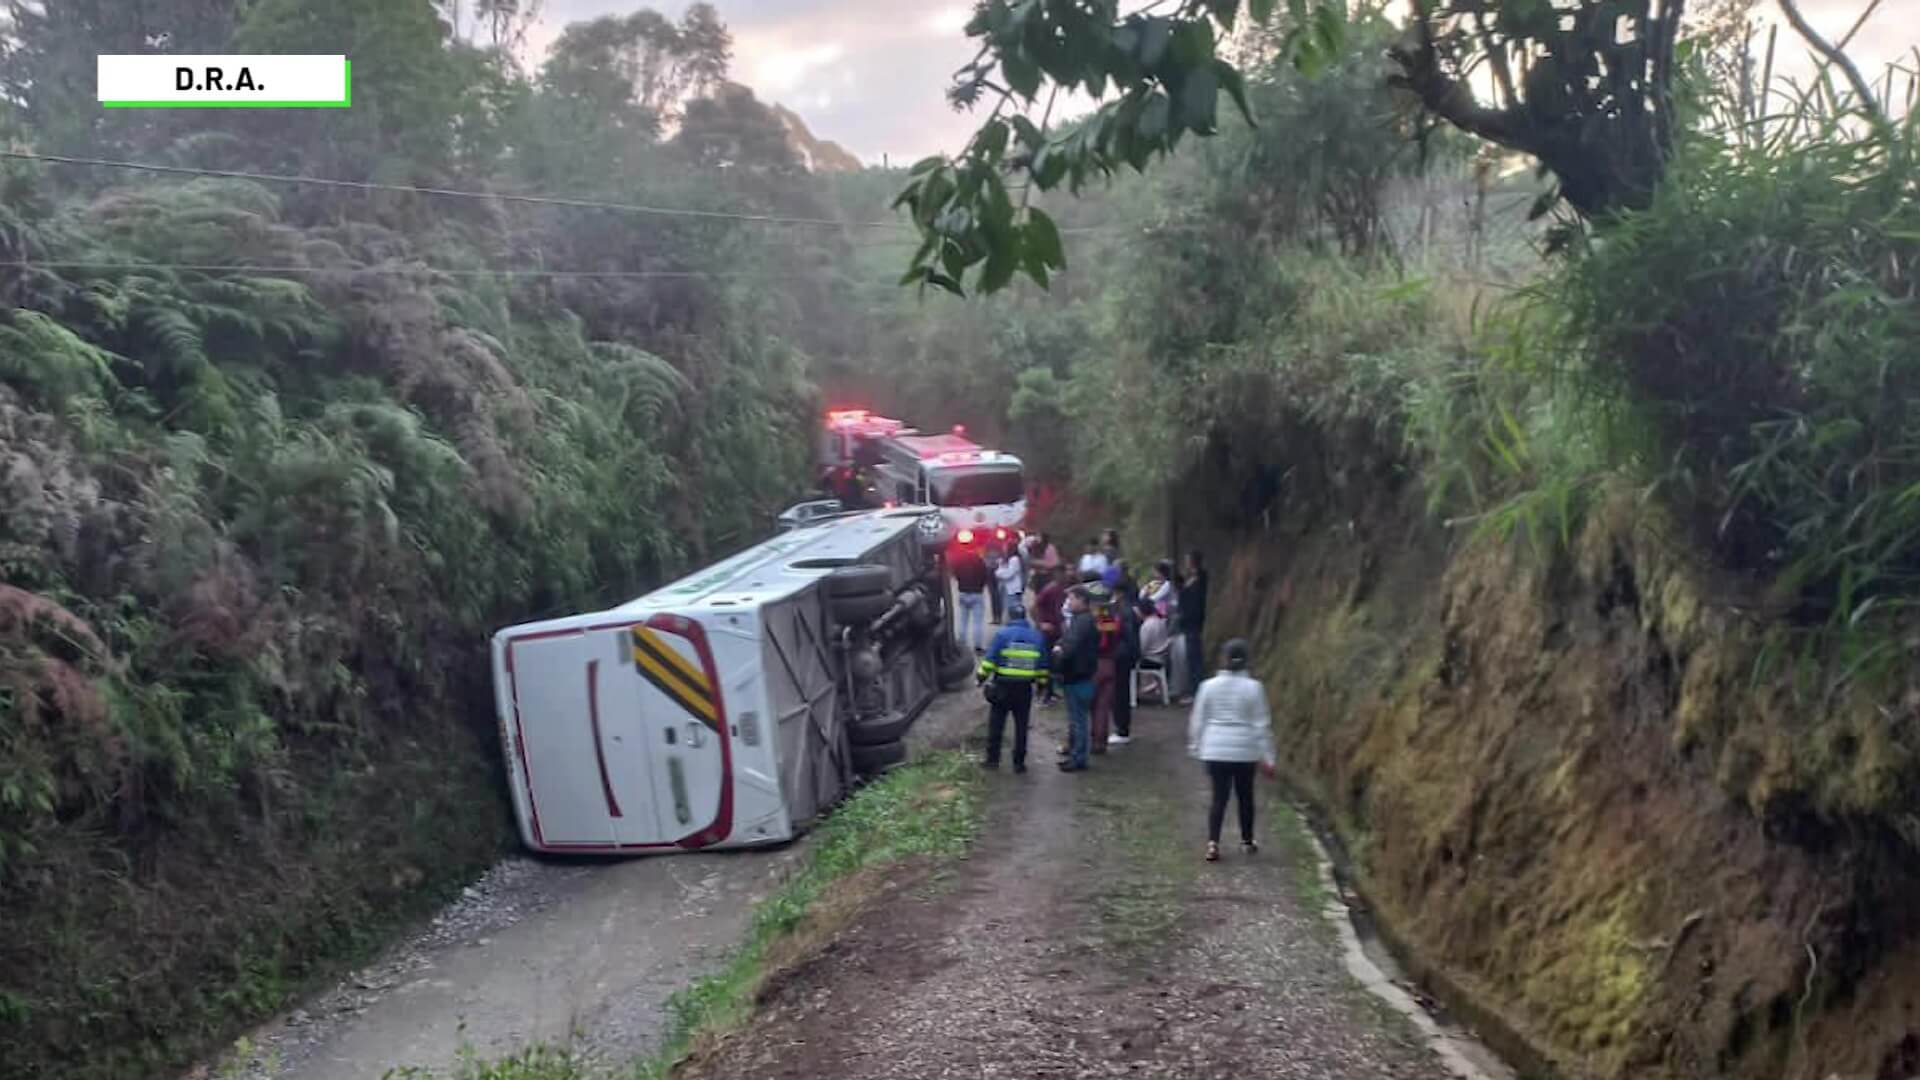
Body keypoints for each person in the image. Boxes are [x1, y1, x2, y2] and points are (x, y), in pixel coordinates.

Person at [1187, 639, 1276, 862]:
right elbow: (1261, 726)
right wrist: (1269, 758)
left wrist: (1195, 745)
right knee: (1245, 796)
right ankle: (1247, 841)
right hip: (1245, 750)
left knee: (1219, 797)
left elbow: (1198, 719)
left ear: (1223, 659)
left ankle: (1213, 843)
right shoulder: (1255, 688)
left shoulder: (1207, 686)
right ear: (1247, 660)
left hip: (1215, 748)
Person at [977, 604, 1048, 772]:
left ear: (1010, 617)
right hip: (1024, 689)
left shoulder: (1002, 635)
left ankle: (993, 760)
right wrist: (1042, 685)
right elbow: (1043, 665)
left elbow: (989, 661)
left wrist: (980, 677)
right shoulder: (1037, 637)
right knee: (1021, 726)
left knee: (996, 725)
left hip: (1002, 686)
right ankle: (1019, 763)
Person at [1052, 585, 1098, 772]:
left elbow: (1070, 646)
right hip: (1079, 675)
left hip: (1078, 677)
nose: (1068, 603)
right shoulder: (1082, 620)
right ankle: (1076, 755)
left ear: (1081, 600)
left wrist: (1059, 651)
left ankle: (1079, 758)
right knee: (1076, 720)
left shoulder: (1082, 622)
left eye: (1071, 599)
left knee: (1078, 720)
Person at [1087, 582, 1120, 754]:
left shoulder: (1092, 619)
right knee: (1103, 706)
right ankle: (1101, 742)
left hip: (1095, 664)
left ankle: (1088, 740)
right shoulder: (1112, 618)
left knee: (1089, 704)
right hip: (1110, 664)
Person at [1032, 565, 1070, 705]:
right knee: (1045, 663)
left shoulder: (1065, 589)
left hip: (1059, 632)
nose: (1066, 576)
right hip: (1048, 632)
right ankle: (1043, 694)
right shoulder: (1050, 589)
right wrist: (1041, 624)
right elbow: (1034, 606)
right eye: (1063, 573)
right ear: (1057, 575)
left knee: (1055, 663)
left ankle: (1052, 692)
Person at [1176, 550, 1210, 702]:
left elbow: (1190, 598)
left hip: (1193, 622)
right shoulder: (1191, 580)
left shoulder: (1200, 579)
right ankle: (1195, 688)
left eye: (1188, 561)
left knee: (1194, 657)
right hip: (1189, 621)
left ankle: (1196, 690)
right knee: (1192, 657)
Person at [1109, 594, 1142, 746]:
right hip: (1124, 655)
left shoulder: (1119, 611)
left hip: (1119, 656)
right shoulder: (1129, 610)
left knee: (1120, 693)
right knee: (1121, 692)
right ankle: (1121, 728)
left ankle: (1122, 729)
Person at [951, 543, 991, 654]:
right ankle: (977, 646)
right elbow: (985, 576)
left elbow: (955, 574)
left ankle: (961, 643)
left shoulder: (959, 560)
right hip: (977, 593)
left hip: (963, 592)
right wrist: (980, 586)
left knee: (963, 620)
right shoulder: (979, 560)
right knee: (977, 622)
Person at [993, 540, 1025, 629]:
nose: (1004, 549)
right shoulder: (1007, 560)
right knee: (1007, 610)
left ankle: (1012, 628)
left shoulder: (1014, 559)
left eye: (1005, 547)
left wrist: (998, 573)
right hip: (1006, 588)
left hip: (1012, 589)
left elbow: (1009, 574)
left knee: (1012, 611)